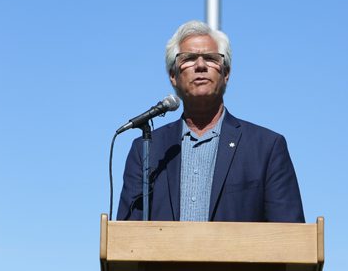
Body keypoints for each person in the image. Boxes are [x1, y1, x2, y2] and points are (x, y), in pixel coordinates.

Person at [117, 20, 304, 222]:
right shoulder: (147, 149)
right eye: (188, 58)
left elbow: (290, 236)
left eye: (210, 58)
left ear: (226, 74)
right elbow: (127, 239)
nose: (200, 66)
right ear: (173, 75)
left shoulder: (267, 148)